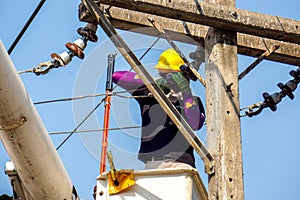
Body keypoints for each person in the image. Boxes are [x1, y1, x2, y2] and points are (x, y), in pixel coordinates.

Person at [112, 48, 205, 169]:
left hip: (181, 163)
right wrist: (155, 84)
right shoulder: (150, 94)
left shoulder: (193, 101)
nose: (170, 79)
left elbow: (195, 124)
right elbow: (116, 76)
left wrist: (186, 93)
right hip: (154, 162)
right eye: (165, 74)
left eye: (173, 75)